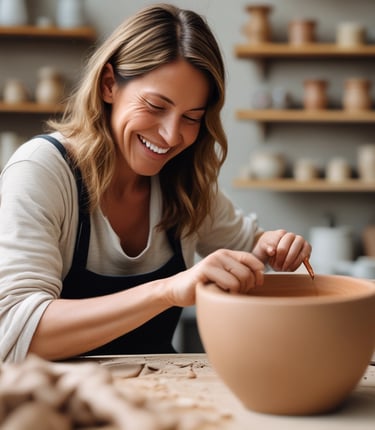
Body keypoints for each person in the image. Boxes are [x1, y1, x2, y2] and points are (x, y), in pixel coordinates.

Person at [0, 3, 311, 363]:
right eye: (155, 106)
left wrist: (271, 247)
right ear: (109, 85)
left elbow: (249, 249)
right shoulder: (42, 170)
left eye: (191, 118)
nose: (170, 135)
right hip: (57, 404)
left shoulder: (185, 181)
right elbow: (13, 331)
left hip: (161, 397)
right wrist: (167, 291)